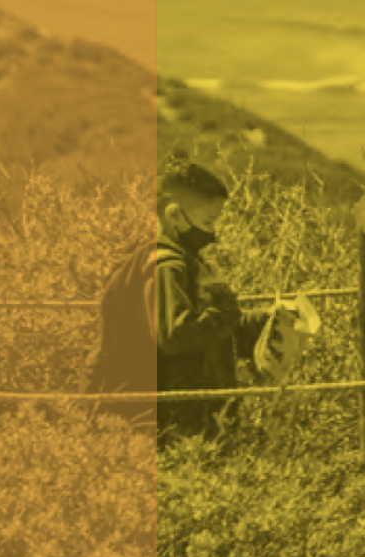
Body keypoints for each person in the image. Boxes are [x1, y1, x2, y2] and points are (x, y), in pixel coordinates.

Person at [81, 155, 271, 446]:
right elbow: (177, 336)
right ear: (173, 216)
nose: (213, 232)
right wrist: (226, 308)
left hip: (168, 425)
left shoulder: (185, 262)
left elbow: (212, 331)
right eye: (208, 221)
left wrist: (266, 321)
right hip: (154, 429)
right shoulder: (166, 267)